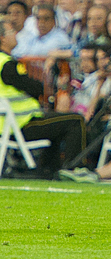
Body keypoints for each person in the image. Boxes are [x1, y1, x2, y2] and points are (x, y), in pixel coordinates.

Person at [0, 20, 87, 178]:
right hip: (22, 124)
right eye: (11, 32)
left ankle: (48, 169)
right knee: (75, 120)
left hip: (8, 125)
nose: (15, 35)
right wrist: (50, 89)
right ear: (2, 38)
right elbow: (34, 88)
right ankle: (74, 169)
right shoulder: (7, 64)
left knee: (58, 123)